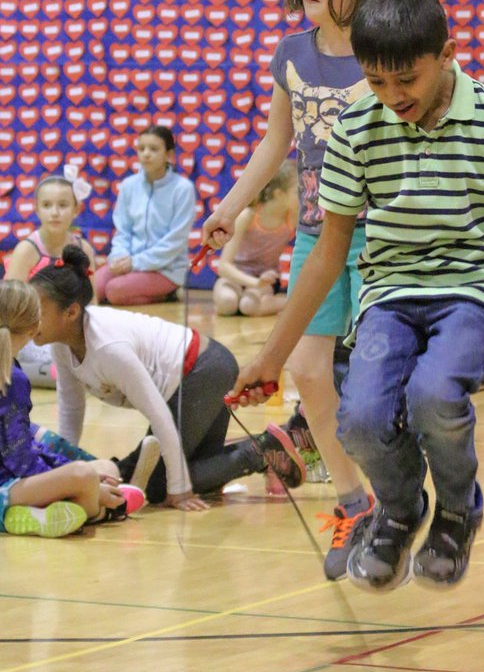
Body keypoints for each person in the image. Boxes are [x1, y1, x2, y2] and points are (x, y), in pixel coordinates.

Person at [229, 0, 484, 592]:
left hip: (476, 290)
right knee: (359, 419)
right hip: (390, 291)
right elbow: (328, 250)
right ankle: (399, 509)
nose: (393, 97)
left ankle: (454, 512)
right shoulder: (356, 128)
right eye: (376, 82)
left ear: (447, 53)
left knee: (433, 394)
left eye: (407, 81)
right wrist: (269, 358)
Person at [202, 0, 405, 579]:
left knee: (378, 383)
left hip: (381, 234)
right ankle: (354, 502)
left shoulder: (385, 56)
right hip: (319, 233)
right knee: (309, 371)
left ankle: (402, 506)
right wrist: (230, 206)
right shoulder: (291, 53)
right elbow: (275, 143)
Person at [31, 246, 306, 510]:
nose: (29, 318)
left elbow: (159, 415)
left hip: (204, 372)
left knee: (157, 486)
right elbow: (71, 410)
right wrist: (63, 469)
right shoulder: (62, 344)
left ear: (71, 313)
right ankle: (259, 451)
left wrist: (178, 491)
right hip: (202, 372)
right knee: (195, 471)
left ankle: (261, 451)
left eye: (38, 312)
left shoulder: (108, 348)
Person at [0, 279, 146, 538]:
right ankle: (103, 510)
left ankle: (38, 515)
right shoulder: (13, 379)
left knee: (100, 469)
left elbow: (22, 447)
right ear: (34, 328)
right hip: (7, 486)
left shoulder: (12, 371)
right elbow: (20, 461)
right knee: (85, 476)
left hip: (12, 481)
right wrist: (82, 482)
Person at [4, 167, 96, 389]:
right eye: (47, 205)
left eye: (63, 205)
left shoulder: (83, 248)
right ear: (36, 209)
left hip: (70, 334)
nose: (55, 212)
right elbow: (6, 308)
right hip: (32, 335)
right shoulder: (27, 250)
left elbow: (93, 305)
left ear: (77, 209)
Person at [94, 124, 195, 306]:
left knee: (115, 291)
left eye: (154, 149)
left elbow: (174, 242)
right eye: (141, 149)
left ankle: (169, 293)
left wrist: (135, 263)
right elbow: (122, 231)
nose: (146, 154)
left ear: (169, 155)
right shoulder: (128, 185)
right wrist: (119, 257)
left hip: (166, 269)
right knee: (92, 288)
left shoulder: (183, 189)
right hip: (129, 263)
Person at [212, 160, 297, 317]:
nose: (305, 195)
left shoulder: (291, 218)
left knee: (248, 306)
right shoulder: (248, 215)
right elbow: (223, 266)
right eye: (297, 191)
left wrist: (260, 283)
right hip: (235, 276)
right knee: (227, 302)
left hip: (265, 279)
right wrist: (254, 283)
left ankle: (291, 303)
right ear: (279, 194)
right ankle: (282, 302)